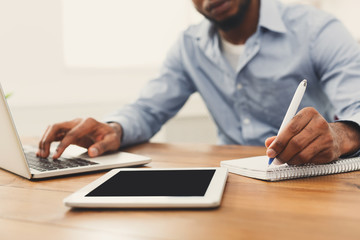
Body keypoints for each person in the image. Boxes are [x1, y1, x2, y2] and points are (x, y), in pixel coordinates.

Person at [37, 0, 360, 165]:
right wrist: (114, 128)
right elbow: (148, 108)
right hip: (232, 180)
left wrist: (340, 135)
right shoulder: (189, 47)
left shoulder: (318, 30)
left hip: (307, 181)